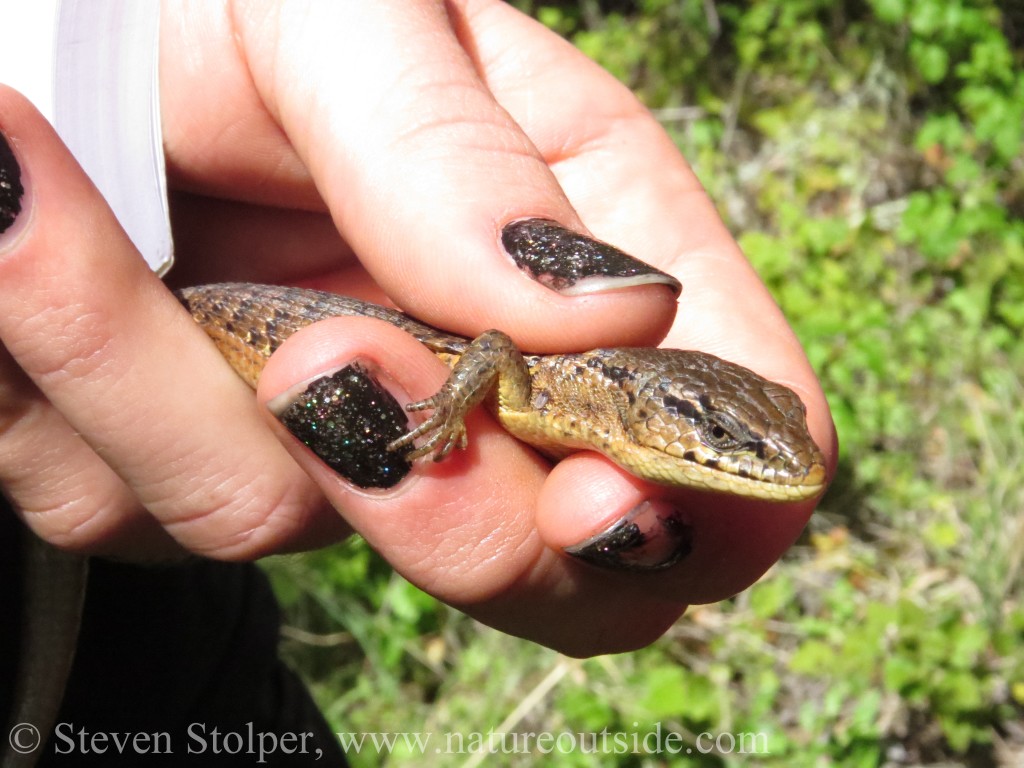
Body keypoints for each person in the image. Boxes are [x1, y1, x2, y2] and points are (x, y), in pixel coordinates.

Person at [1, 1, 835, 762]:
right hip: (223, 320)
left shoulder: (596, 403)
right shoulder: (568, 384)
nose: (775, 457)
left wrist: (95, 54)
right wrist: (443, 411)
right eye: (726, 434)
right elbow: (499, 342)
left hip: (159, 667)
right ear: (667, 412)